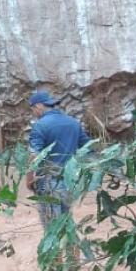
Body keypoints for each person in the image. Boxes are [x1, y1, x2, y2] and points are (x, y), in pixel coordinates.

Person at [25, 90, 90, 228]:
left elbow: (34, 155)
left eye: (32, 109)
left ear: (38, 106)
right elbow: (89, 148)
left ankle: (57, 250)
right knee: (65, 222)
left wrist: (29, 179)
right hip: (69, 181)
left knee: (52, 228)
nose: (33, 114)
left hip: (48, 183)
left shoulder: (40, 125)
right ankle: (69, 249)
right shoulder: (74, 123)